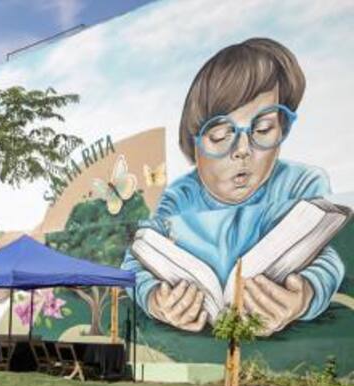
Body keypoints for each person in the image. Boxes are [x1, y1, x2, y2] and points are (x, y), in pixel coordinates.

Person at [122, 37, 343, 335]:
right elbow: (136, 258)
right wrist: (155, 299)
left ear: (282, 128)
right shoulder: (180, 196)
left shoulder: (303, 184)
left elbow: (326, 258)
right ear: (195, 145)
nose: (243, 150)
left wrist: (304, 296)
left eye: (263, 129)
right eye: (221, 135)